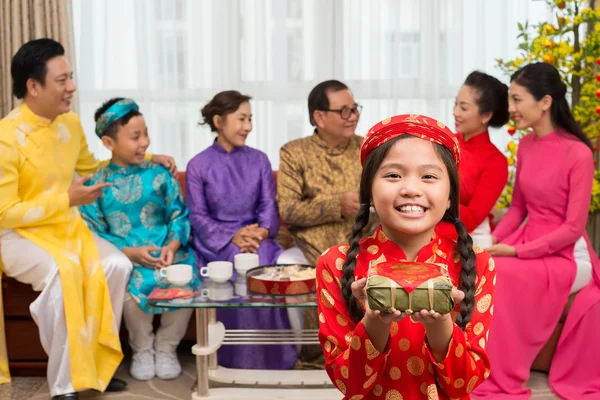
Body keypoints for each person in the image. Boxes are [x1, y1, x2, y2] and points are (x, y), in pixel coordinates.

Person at [0, 39, 175, 399]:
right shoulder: (5, 137)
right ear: (33, 86)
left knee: (114, 266)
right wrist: (66, 198)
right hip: (18, 236)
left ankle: (97, 367)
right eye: (62, 80)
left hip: (65, 228)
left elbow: (93, 169)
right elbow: (5, 212)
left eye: (71, 78)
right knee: (65, 273)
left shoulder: (69, 124)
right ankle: (66, 383)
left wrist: (148, 156)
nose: (72, 88)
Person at [317, 114, 496, 399]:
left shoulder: (476, 262)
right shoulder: (336, 263)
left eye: (429, 176)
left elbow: (465, 383)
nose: (411, 189)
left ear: (450, 194)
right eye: (393, 175)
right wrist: (375, 321)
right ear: (369, 191)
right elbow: (347, 383)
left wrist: (440, 323)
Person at [472, 62, 600, 399]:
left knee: (503, 270)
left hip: (568, 254)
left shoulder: (579, 154)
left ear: (544, 102)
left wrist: (513, 251)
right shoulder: (527, 146)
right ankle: (478, 366)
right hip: (527, 241)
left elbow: (572, 228)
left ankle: (502, 375)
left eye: (516, 100)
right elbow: (518, 209)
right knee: (484, 262)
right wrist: (494, 240)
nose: (510, 109)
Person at [80, 98, 199, 382]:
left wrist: (172, 246)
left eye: (146, 133)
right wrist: (131, 253)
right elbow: (94, 232)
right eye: (135, 137)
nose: (145, 143)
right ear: (109, 143)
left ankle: (167, 346)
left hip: (169, 253)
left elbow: (179, 215)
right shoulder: (94, 184)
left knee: (187, 281)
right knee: (128, 285)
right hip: (125, 257)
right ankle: (142, 348)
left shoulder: (160, 174)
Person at [186, 90, 297, 369]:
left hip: (258, 237)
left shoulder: (259, 160)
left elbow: (268, 207)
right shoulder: (198, 165)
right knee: (235, 265)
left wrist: (261, 232)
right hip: (217, 241)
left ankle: (274, 357)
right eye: (241, 119)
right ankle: (236, 358)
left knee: (266, 264)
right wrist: (232, 236)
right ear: (218, 121)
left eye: (250, 119)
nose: (248, 126)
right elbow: (198, 217)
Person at [276, 79, 364, 266]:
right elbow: (288, 211)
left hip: (364, 245)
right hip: (313, 250)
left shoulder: (367, 148)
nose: (353, 116)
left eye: (355, 109)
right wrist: (336, 206)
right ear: (319, 117)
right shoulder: (294, 152)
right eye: (344, 111)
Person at [453, 71, 509, 248]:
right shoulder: (444, 141)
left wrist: (435, 203)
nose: (455, 112)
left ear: (486, 116)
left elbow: (471, 219)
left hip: (463, 235)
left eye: (464, 108)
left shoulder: (495, 162)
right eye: (455, 104)